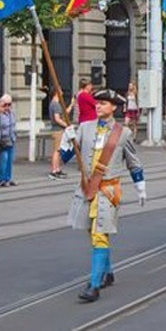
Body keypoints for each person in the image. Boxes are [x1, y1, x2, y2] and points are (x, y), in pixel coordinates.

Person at [61, 88, 146, 303]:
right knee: (92, 232)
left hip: (108, 191)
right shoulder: (84, 128)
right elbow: (66, 157)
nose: (99, 106)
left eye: (104, 103)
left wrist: (140, 187)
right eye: (97, 103)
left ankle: (94, 285)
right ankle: (107, 272)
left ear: (114, 107)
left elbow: (133, 162)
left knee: (100, 234)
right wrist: (67, 140)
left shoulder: (123, 133)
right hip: (87, 189)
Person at [48, 89, 74, 180]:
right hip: (58, 130)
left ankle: (57, 169)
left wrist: (71, 105)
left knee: (58, 151)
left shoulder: (55, 104)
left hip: (57, 129)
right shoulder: (55, 104)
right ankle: (54, 170)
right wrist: (67, 125)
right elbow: (57, 118)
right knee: (57, 151)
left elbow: (64, 114)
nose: (62, 92)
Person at [0, 94, 18, 187]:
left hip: (11, 139)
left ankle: (8, 178)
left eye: (9, 104)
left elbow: (13, 125)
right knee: (3, 159)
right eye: (5, 104)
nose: (7, 107)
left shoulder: (11, 113)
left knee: (10, 159)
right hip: (3, 140)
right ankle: (2, 179)